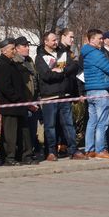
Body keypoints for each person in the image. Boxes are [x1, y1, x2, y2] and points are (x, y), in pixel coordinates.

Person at [35, 31, 83, 161]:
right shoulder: (40, 57)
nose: (56, 42)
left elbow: (74, 66)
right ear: (46, 42)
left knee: (68, 125)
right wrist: (61, 73)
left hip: (64, 95)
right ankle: (51, 151)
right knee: (50, 126)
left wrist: (61, 70)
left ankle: (73, 150)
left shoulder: (63, 53)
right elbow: (46, 76)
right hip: (49, 97)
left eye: (56, 40)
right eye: (53, 40)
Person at [0, 38, 36, 166]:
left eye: (14, 48)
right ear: (3, 50)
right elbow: (5, 87)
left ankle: (24, 155)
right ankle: (9, 157)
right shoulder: (1, 64)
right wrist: (17, 99)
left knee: (23, 132)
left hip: (20, 104)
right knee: (10, 134)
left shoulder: (13, 63)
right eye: (12, 49)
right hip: (10, 105)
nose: (14, 51)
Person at [81, 29, 109, 158]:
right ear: (91, 40)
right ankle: (100, 150)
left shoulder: (86, 53)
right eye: (99, 38)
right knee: (102, 122)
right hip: (100, 89)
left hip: (90, 90)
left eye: (102, 38)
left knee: (92, 121)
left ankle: (89, 149)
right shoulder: (96, 54)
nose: (101, 41)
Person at [14, 36, 42, 160]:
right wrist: (26, 101)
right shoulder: (15, 62)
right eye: (24, 46)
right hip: (24, 100)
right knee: (23, 130)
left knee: (32, 129)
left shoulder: (30, 60)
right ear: (17, 48)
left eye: (28, 45)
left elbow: (35, 78)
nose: (27, 48)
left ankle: (30, 151)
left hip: (35, 99)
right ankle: (23, 153)